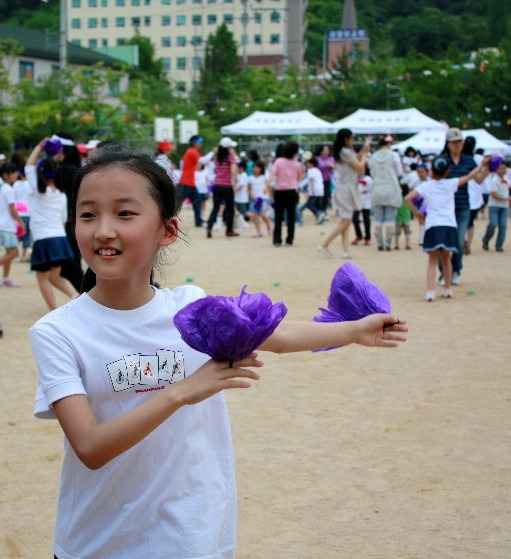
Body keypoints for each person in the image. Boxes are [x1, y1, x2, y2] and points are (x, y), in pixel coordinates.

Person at [30, 149, 407, 559]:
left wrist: (353, 330)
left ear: (167, 230)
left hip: (191, 536)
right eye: (88, 215)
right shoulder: (58, 331)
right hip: (97, 545)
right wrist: (183, 391)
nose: (103, 230)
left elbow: (275, 335)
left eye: (124, 214)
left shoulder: (191, 309)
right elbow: (90, 446)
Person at [405, 155, 484, 302]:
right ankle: (447, 289)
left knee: (432, 261)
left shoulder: (425, 186)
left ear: (432, 171)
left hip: (433, 225)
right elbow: (469, 177)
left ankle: (430, 291)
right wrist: (481, 166)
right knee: (447, 258)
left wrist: (417, 213)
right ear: (447, 171)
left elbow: (408, 198)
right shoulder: (451, 183)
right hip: (448, 224)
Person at [25, 138, 78, 309]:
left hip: (43, 239)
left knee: (43, 279)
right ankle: (76, 297)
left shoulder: (39, 191)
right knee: (55, 277)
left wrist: (40, 146)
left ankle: (54, 312)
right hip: (59, 239)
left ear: (41, 173)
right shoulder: (61, 195)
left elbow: (29, 165)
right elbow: (63, 219)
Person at [440, 128, 489, 285]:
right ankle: (444, 273)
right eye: (454, 142)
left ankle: (456, 270)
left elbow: (479, 180)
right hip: (445, 207)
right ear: (447, 144)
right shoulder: (442, 160)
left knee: (460, 242)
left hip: (462, 205)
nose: (457, 145)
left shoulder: (469, 160)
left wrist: (487, 168)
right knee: (444, 242)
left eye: (459, 142)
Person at [318, 129, 370, 259]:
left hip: (346, 188)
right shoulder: (345, 151)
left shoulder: (345, 152)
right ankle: (324, 244)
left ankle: (346, 251)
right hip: (346, 189)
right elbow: (360, 167)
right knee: (346, 221)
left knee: (345, 221)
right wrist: (365, 155)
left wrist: (363, 150)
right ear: (346, 139)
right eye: (352, 138)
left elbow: (355, 159)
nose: (353, 141)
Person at [369, 136, 404, 251]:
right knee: (390, 218)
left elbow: (372, 173)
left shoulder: (373, 156)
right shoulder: (394, 155)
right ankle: (388, 243)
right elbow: (399, 172)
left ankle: (379, 243)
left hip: (377, 188)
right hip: (391, 188)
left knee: (378, 218)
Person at [266, 141, 303, 247]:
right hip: (291, 191)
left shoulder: (278, 161)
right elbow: (299, 177)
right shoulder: (297, 164)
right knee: (291, 217)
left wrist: (268, 184)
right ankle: (289, 240)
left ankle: (277, 239)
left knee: (278, 216)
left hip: (280, 191)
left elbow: (273, 175)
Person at [179, 135, 215, 228]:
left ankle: (198, 221)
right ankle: (165, 220)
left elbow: (182, 163)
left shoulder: (190, 152)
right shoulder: (191, 151)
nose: (200, 144)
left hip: (189, 182)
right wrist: (213, 152)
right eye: (199, 142)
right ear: (194, 143)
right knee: (177, 203)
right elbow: (202, 161)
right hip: (186, 183)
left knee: (197, 201)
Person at [206, 137, 239, 238]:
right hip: (227, 186)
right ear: (228, 147)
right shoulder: (230, 157)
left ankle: (209, 227)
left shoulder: (217, 157)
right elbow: (233, 171)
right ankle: (229, 230)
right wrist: (235, 183)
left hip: (217, 185)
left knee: (215, 208)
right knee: (230, 209)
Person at [0, 163, 25, 286]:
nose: (16, 175)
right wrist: (21, 222)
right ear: (6, 175)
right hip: (7, 226)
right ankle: (5, 278)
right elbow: (12, 210)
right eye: (13, 172)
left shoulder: (3, 188)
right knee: (12, 253)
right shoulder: (8, 189)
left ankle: (5, 278)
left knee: (9, 253)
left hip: (3, 225)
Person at [482, 156, 510, 252]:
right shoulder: (494, 180)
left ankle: (499, 245)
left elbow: (508, 188)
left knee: (503, 226)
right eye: (501, 168)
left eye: (504, 168)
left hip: (504, 206)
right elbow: (493, 194)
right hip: (494, 205)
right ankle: (486, 238)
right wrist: (505, 199)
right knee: (493, 224)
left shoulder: (505, 179)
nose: (503, 170)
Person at [246, 160, 272, 237]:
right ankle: (258, 231)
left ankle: (269, 224)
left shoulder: (264, 177)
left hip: (263, 198)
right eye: (254, 167)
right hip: (254, 198)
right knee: (254, 215)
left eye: (257, 167)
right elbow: (249, 189)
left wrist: (269, 194)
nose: (255, 169)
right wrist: (252, 196)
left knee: (262, 213)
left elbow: (268, 186)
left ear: (261, 169)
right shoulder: (250, 178)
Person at [302, 157, 327, 224]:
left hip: (314, 190)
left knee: (310, 205)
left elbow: (312, 181)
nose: (306, 165)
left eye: (307, 163)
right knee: (318, 205)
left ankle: (320, 214)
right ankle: (320, 217)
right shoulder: (318, 170)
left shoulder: (311, 171)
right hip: (321, 190)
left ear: (311, 164)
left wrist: (312, 191)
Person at [351, 167, 372, 246]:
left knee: (366, 221)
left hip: (366, 202)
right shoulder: (353, 179)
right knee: (355, 219)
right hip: (356, 202)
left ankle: (367, 237)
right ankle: (359, 235)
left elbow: (370, 190)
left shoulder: (369, 179)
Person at [316, 144, 335, 213]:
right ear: (321, 151)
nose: (326, 151)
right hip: (318, 180)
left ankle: (324, 209)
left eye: (327, 150)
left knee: (326, 195)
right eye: (324, 150)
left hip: (327, 180)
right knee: (319, 196)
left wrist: (330, 165)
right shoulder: (317, 159)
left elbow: (335, 166)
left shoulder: (331, 159)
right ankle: (319, 209)